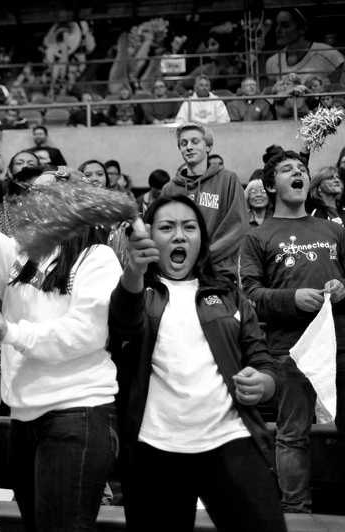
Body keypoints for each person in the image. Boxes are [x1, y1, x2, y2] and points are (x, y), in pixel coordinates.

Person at [0, 161, 122, 531]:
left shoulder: (97, 258)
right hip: (26, 418)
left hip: (77, 413)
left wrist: (13, 332)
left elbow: (87, 332)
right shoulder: (20, 256)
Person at [109, 195, 286, 532]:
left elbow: (263, 360)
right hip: (153, 447)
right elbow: (122, 322)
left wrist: (263, 384)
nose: (179, 235)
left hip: (230, 439)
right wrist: (134, 270)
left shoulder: (229, 295)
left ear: (202, 240)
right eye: (166, 227)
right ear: (150, 237)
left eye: (189, 227)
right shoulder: (136, 291)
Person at [239, 150, 345, 513]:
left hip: (340, 345)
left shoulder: (334, 230)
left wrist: (343, 287)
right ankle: (296, 512)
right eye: (287, 169)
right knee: (292, 435)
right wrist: (291, 299)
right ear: (271, 185)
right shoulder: (258, 237)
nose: (298, 172)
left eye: (302, 169)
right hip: (289, 350)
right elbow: (249, 295)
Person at [159, 122, 247, 282]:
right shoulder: (169, 189)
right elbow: (162, 232)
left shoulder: (228, 180)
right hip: (180, 272)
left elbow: (238, 228)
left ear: (208, 146)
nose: (189, 147)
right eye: (184, 143)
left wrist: (204, 256)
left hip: (219, 271)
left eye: (195, 141)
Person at [265, 8, 345, 85]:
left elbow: (340, 90)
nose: (277, 30)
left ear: (302, 29)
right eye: (277, 25)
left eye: (285, 26)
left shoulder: (328, 54)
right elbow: (271, 93)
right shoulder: (273, 62)